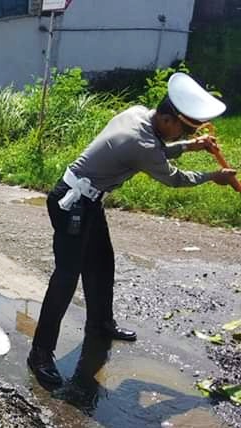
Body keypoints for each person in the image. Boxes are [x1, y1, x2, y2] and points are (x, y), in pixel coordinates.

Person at [28, 72, 238, 386]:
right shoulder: (142, 143)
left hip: (89, 199)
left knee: (102, 263)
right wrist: (213, 176)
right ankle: (40, 354)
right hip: (72, 203)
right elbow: (173, 177)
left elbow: (156, 148)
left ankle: (100, 323)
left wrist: (192, 144)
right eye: (183, 127)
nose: (179, 133)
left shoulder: (139, 113)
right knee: (66, 278)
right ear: (167, 120)